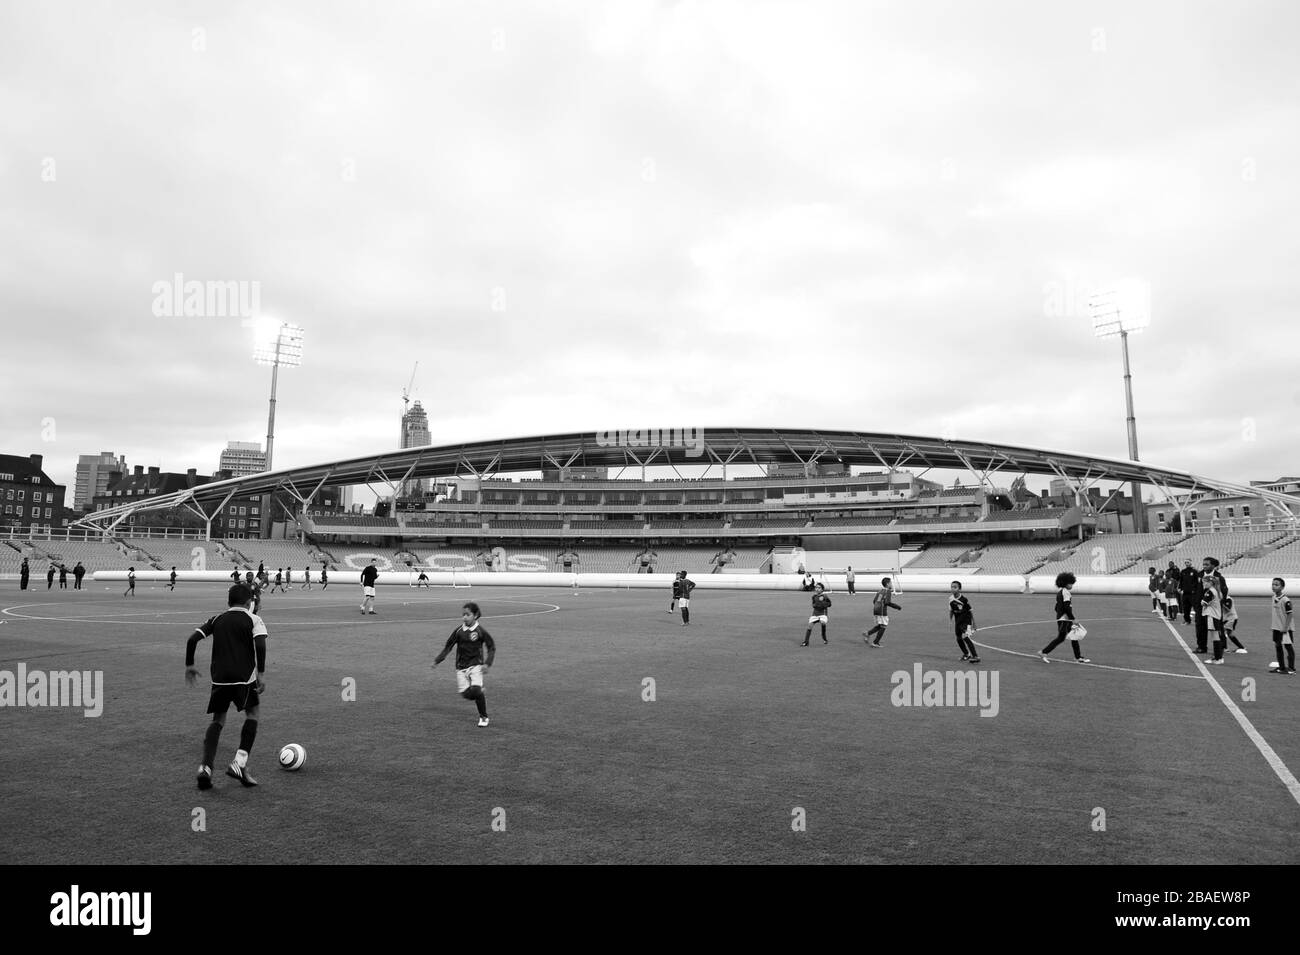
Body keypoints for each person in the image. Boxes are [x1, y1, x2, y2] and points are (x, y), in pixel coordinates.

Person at [185, 582, 268, 789]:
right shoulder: (253, 619)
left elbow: (192, 639)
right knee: (253, 714)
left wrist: (190, 665)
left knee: (218, 720)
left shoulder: (217, 619)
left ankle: (205, 767)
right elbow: (260, 644)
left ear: (228, 601)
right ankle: (239, 763)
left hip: (220, 679)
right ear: (250, 602)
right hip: (244, 678)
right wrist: (261, 673)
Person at [432, 602, 496, 727]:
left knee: (476, 690)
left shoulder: (480, 631)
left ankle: (483, 717)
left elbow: (491, 647)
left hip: (476, 665)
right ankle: (479, 692)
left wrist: (487, 664)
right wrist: (437, 660)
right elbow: (448, 646)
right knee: (465, 694)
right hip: (461, 667)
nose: (464, 617)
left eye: (468, 614)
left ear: (475, 615)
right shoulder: (458, 631)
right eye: (463, 615)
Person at [1040, 571, 1089, 663]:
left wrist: (1061, 615)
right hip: (1065, 619)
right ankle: (1043, 652)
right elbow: (1067, 607)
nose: (1072, 585)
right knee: (1061, 638)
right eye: (1070, 583)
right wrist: (1073, 619)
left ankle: (1078, 657)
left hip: (1063, 618)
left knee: (1074, 636)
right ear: (1065, 583)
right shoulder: (1066, 593)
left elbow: (1056, 607)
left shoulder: (1060, 593)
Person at [863, 577, 902, 647]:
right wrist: (897, 606)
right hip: (881, 611)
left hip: (876, 610)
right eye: (891, 583)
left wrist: (878, 606)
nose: (891, 584)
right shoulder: (888, 591)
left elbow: (874, 601)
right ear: (887, 584)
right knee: (883, 626)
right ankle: (875, 642)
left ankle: (868, 633)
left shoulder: (880, 591)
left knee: (880, 625)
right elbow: (887, 602)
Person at [948, 581, 980, 663]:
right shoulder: (950, 599)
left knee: (965, 637)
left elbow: (970, 611)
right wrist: (950, 621)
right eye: (952, 587)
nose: (953, 589)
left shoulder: (964, 600)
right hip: (958, 622)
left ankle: (975, 656)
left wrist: (974, 624)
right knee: (958, 638)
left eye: (955, 587)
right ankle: (966, 654)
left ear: (960, 589)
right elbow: (951, 611)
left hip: (967, 621)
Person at [1269, 578, 1295, 674]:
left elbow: (1290, 614)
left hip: (1285, 628)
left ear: (1282, 587)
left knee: (1288, 647)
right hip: (1276, 628)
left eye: (1276, 585)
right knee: (1278, 646)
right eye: (1273, 584)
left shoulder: (1285, 600)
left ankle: (1291, 668)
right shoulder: (1273, 597)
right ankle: (1281, 667)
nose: (1274, 586)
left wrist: (1285, 627)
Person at [1203, 572, 1227, 665]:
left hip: (1212, 615)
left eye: (1205, 582)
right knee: (1217, 636)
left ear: (1211, 583)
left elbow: (1203, 603)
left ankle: (1217, 658)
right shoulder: (1217, 591)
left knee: (1215, 637)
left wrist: (1203, 601)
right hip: (1216, 615)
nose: (1204, 584)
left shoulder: (1210, 592)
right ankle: (1219, 657)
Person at [801, 582, 832, 646]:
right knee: (809, 626)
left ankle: (824, 638)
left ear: (822, 589)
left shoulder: (825, 596)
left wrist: (822, 602)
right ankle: (806, 642)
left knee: (823, 622)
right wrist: (815, 605)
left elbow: (829, 604)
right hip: (815, 614)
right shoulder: (814, 596)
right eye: (816, 587)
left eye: (819, 588)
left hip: (823, 614)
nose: (817, 589)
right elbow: (813, 604)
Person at [1178, 559, 1198, 624]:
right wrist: (1179, 588)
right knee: (1186, 607)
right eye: (1186, 562)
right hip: (1185, 593)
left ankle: (1197, 620)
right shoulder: (1183, 571)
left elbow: (1197, 582)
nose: (1187, 563)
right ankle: (1187, 620)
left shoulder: (1194, 571)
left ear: (1191, 563)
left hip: (1193, 593)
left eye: (1188, 562)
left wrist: (1195, 590)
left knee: (1195, 607)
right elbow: (1181, 581)